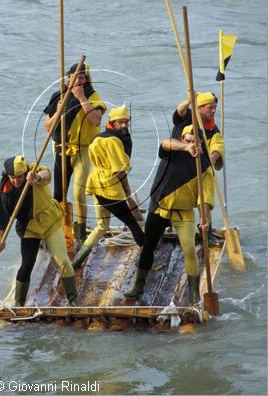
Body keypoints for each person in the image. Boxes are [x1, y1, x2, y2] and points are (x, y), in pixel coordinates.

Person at [124, 125, 214, 306]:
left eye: (193, 141)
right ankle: (138, 286)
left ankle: (194, 294)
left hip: (183, 212)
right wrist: (185, 147)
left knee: (189, 249)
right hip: (159, 207)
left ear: (201, 143)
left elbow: (205, 198)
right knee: (148, 246)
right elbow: (165, 143)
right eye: (187, 140)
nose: (190, 144)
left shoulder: (204, 166)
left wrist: (205, 219)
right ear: (182, 139)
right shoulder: (172, 151)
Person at [0, 155, 79, 306]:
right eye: (13, 177)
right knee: (27, 264)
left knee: (62, 260)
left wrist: (36, 178)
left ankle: (73, 299)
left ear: (25, 173)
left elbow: (47, 175)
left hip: (50, 222)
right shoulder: (4, 191)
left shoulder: (33, 171)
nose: (16, 181)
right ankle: (19, 303)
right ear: (7, 175)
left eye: (20, 177)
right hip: (29, 228)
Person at [71, 104, 145, 269]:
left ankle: (76, 261)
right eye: (121, 122)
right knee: (132, 223)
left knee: (102, 226)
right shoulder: (113, 141)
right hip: (109, 188)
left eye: (126, 122)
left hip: (96, 184)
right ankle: (149, 260)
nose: (125, 125)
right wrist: (127, 191)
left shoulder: (98, 138)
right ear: (113, 122)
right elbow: (119, 170)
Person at [44, 62, 106, 246]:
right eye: (75, 77)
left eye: (82, 77)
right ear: (68, 78)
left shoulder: (92, 96)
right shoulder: (58, 96)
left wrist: (81, 98)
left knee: (79, 192)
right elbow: (48, 127)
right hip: (62, 148)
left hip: (83, 149)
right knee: (58, 195)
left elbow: (95, 121)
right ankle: (59, 231)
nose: (79, 80)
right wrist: (58, 113)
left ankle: (80, 233)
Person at [172, 91, 224, 246]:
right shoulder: (188, 117)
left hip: (202, 168)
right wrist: (188, 100)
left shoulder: (212, 128)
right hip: (180, 166)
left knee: (205, 200)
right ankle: (169, 227)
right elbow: (179, 110)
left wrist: (213, 157)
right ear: (200, 108)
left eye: (215, 107)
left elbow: (217, 145)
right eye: (210, 108)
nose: (214, 111)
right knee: (174, 200)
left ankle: (206, 232)